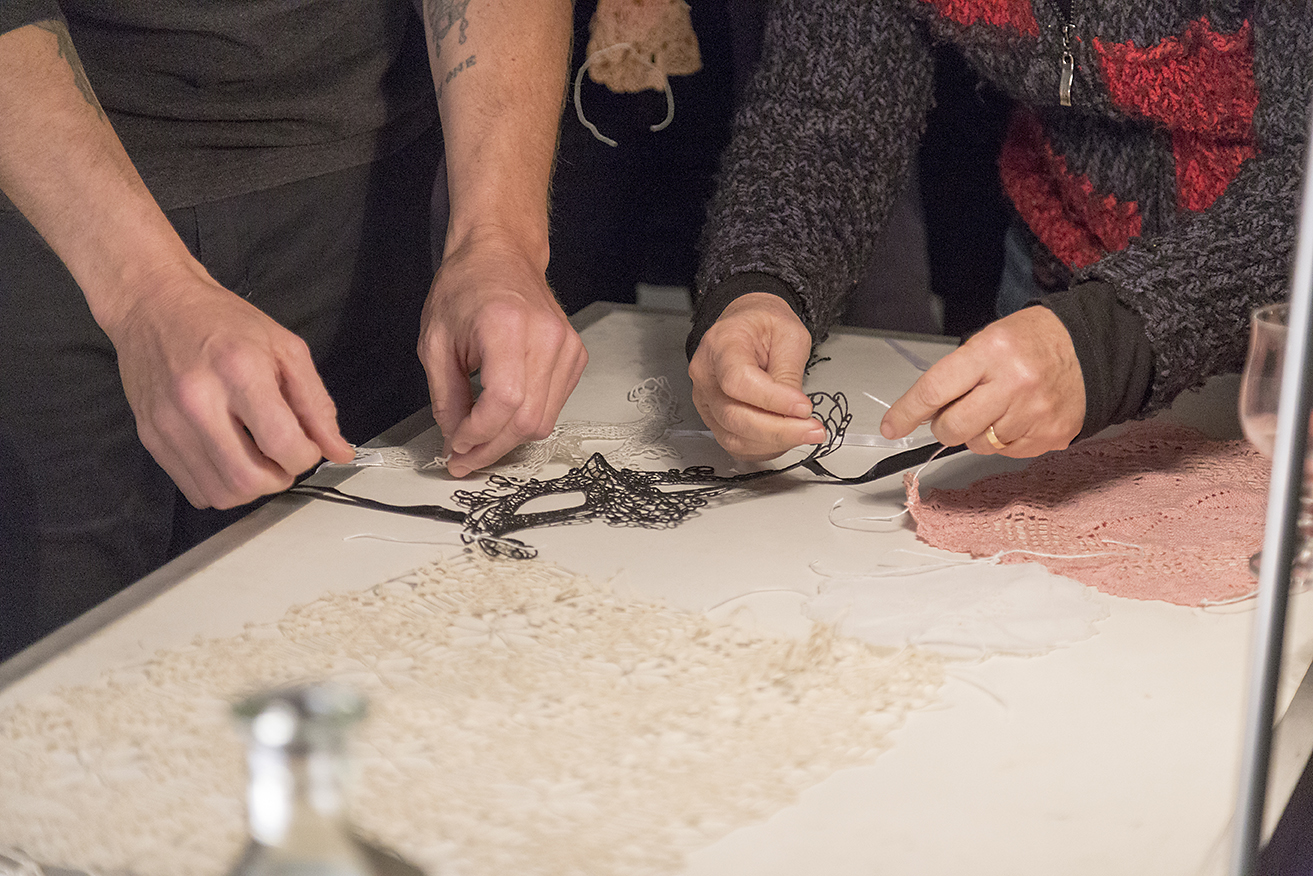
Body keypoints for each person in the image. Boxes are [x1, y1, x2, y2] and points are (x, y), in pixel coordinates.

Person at [0, 0, 584, 657]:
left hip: (368, 186)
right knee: (52, 664)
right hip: (40, 187)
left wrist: (498, 238)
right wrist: (144, 289)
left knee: (349, 645)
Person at [687, 1, 1310, 463]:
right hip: (1057, 285)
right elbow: (827, 109)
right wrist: (759, 284)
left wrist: (1107, 342)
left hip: (1278, 314)